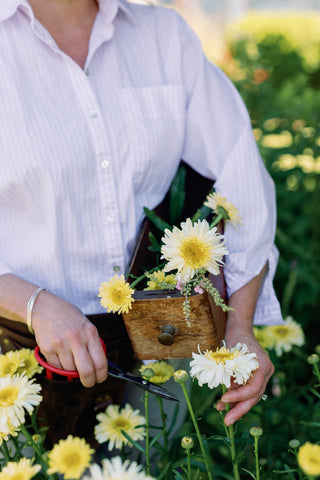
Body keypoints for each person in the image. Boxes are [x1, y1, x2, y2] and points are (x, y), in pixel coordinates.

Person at [0, 0, 282, 445]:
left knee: (156, 468)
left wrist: (240, 325)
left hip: (163, 340)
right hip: (25, 352)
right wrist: (35, 303)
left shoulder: (162, 34)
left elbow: (240, 175)